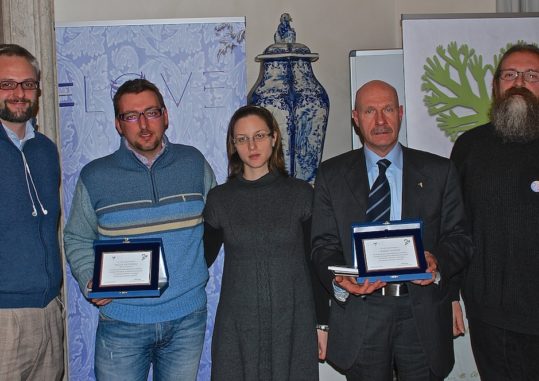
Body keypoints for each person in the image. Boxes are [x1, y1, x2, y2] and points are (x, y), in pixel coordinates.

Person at [311, 80, 473, 381]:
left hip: (421, 311)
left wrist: (438, 261)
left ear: (400, 113)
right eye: (369, 111)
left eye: (387, 109)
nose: (381, 120)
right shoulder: (331, 175)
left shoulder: (439, 171)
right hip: (362, 312)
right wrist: (340, 277)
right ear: (356, 119)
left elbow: (459, 238)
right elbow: (322, 245)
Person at [64, 78, 216, 380]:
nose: (144, 125)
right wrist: (88, 278)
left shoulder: (194, 163)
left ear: (166, 116)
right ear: (119, 124)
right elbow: (77, 237)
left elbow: (217, 226)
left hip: (186, 319)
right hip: (122, 322)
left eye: (152, 112)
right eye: (131, 116)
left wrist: (191, 269)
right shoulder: (95, 176)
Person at [203, 105, 328, 381]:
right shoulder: (219, 199)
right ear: (233, 145)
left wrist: (323, 323)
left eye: (259, 135)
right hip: (238, 324)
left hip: (293, 321)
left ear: (274, 138)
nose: (252, 145)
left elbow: (315, 262)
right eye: (242, 139)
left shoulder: (301, 194)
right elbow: (199, 261)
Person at [450, 43, 539, 380]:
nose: (519, 82)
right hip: (492, 316)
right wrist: (450, 295)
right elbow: (454, 227)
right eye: (510, 75)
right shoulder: (470, 147)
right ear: (497, 85)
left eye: (531, 75)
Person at [0, 43, 64, 380]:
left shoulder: (46, 150)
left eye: (27, 84)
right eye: (7, 84)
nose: (19, 93)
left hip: (49, 310)